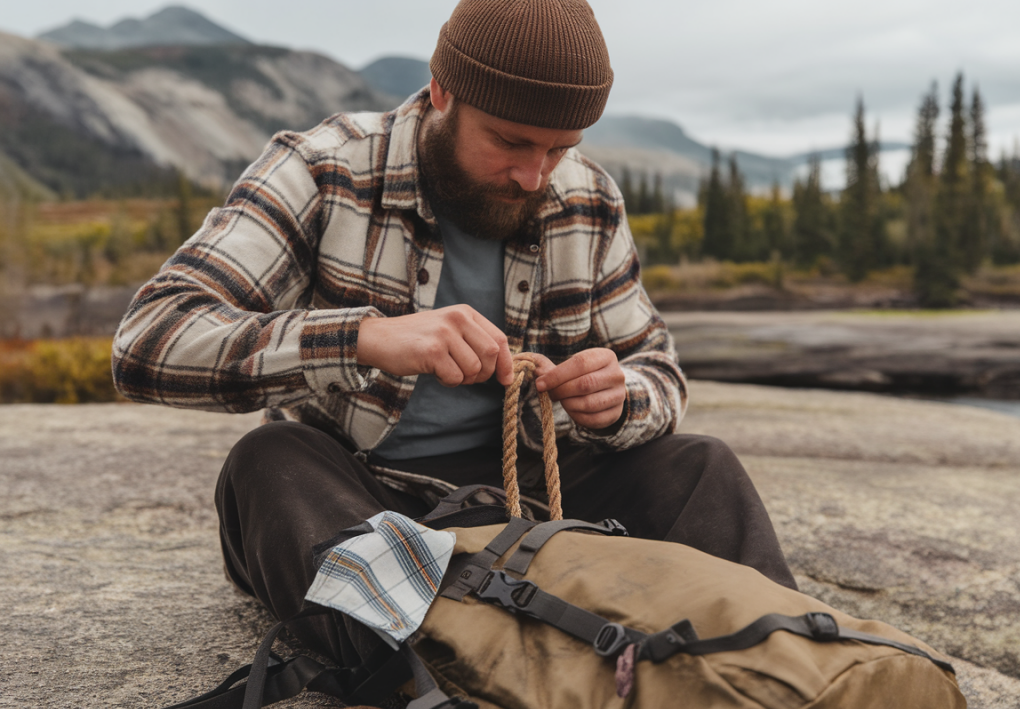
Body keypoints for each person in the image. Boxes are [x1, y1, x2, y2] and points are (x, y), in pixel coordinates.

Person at [112, 0, 796, 666]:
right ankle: (478, 670)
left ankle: (787, 664)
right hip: (363, 492)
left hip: (535, 494)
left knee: (701, 467)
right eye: (510, 141)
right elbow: (149, 340)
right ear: (442, 91)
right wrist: (363, 340)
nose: (534, 175)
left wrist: (620, 398)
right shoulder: (324, 170)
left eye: (559, 149)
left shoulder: (587, 197)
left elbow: (659, 368)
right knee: (268, 461)